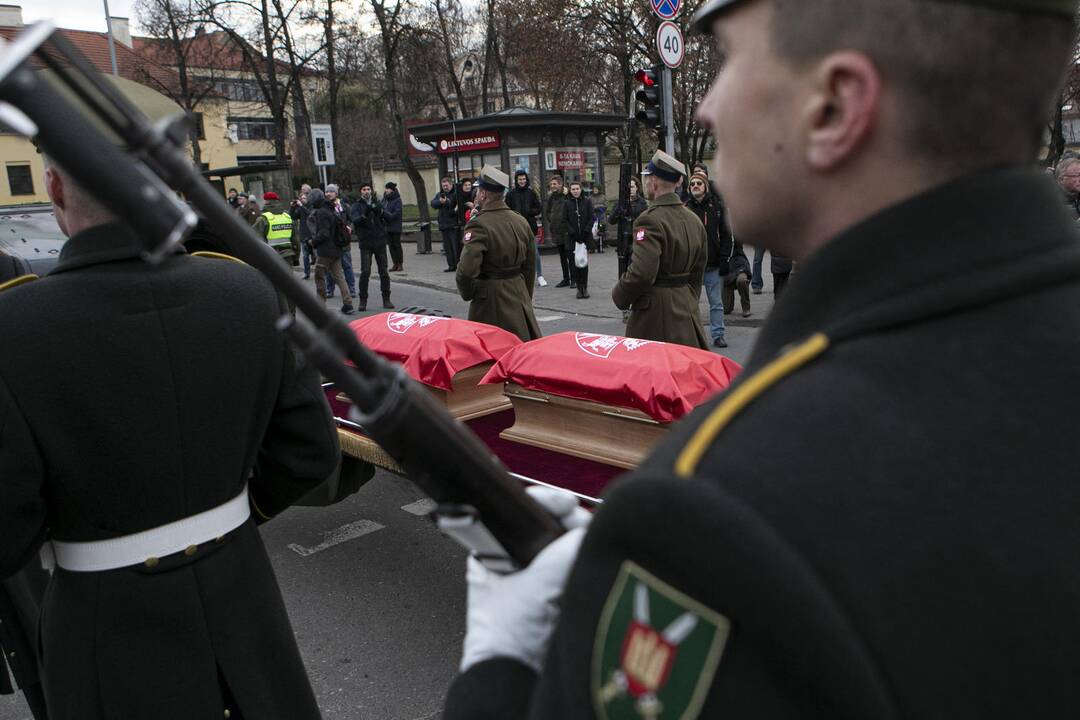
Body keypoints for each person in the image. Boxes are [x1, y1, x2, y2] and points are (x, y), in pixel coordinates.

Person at [443, 0, 1080, 717]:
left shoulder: (719, 509)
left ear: (834, 108)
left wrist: (499, 663)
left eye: (731, 61)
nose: (709, 107)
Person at [0, 156, 340, 720]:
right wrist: (222, 518)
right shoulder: (246, 288)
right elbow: (310, 452)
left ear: (55, 187)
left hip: (102, 628)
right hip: (244, 595)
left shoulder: (12, 327)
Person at [612, 149, 708, 348]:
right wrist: (688, 297)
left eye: (647, 177)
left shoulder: (649, 219)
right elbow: (698, 270)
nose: (646, 182)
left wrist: (620, 294)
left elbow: (643, 272)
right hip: (686, 306)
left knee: (653, 374)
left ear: (654, 181)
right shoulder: (693, 219)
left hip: (655, 314)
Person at [455, 166, 542, 341]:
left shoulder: (479, 224)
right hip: (518, 293)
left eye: (478, 190)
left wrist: (470, 293)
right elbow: (530, 266)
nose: (477, 194)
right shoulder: (520, 220)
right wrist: (524, 295)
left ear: (483, 194)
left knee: (492, 355)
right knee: (521, 351)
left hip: (490, 299)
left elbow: (466, 271)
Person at [686, 170, 733, 348]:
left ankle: (718, 334)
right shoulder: (685, 208)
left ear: (706, 186)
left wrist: (725, 259)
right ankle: (694, 335)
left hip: (714, 264)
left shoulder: (717, 207)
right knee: (692, 304)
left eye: (699, 183)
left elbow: (727, 235)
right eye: (692, 184)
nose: (695, 186)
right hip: (693, 266)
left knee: (716, 303)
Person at [309, 187, 354, 314]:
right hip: (336, 250)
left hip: (325, 251)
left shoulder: (321, 212)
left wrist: (313, 242)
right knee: (339, 277)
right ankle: (348, 304)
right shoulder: (331, 209)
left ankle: (320, 306)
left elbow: (324, 233)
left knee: (319, 276)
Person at [351, 183, 394, 311]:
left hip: (379, 241)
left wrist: (379, 211)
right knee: (365, 272)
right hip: (366, 243)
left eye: (368, 189)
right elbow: (355, 221)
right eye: (364, 189)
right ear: (360, 192)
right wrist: (364, 214)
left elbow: (389, 217)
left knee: (384, 271)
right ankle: (363, 300)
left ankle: (386, 298)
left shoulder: (378, 202)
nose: (366, 191)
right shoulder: (357, 205)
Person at [507, 170, 546, 287]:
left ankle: (539, 275)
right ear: (516, 180)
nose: (522, 181)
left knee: (535, 253)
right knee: (518, 253)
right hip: (516, 227)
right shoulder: (511, 194)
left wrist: (530, 212)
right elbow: (507, 209)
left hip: (530, 226)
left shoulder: (531, 193)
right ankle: (521, 276)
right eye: (520, 179)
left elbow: (538, 208)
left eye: (524, 179)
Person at [608, 176, 649, 277]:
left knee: (635, 269)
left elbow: (646, 223)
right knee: (623, 270)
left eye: (632, 187)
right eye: (627, 187)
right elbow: (611, 220)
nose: (630, 190)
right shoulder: (619, 203)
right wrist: (619, 209)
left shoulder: (643, 203)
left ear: (637, 188)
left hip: (637, 240)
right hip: (623, 241)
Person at [564, 181, 595, 298]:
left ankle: (584, 287)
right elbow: (565, 220)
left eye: (577, 189)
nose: (575, 191)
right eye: (573, 189)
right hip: (573, 238)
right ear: (570, 191)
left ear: (581, 189)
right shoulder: (567, 203)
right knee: (575, 263)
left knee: (584, 263)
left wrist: (586, 230)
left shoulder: (587, 201)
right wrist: (572, 232)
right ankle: (578, 287)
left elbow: (592, 217)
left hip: (585, 237)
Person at [543, 175, 572, 287]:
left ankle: (574, 279)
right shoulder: (551, 197)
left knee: (570, 256)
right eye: (551, 184)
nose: (553, 186)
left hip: (567, 231)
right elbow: (548, 212)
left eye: (555, 184)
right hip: (557, 231)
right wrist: (553, 221)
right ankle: (566, 278)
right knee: (562, 257)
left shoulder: (567, 196)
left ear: (560, 184)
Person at [324, 184, 352, 298]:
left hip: (343, 241)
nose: (328, 194)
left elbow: (351, 219)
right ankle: (330, 290)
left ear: (336, 193)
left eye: (331, 191)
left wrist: (350, 228)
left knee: (347, 266)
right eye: (327, 192)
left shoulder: (344, 206)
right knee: (330, 268)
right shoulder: (324, 207)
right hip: (331, 243)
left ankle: (352, 289)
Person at [252, 191, 295, 264]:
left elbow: (255, 239)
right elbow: (295, 240)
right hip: (288, 256)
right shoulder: (287, 216)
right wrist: (295, 257)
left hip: (271, 258)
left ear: (266, 202)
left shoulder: (263, 219)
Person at [432, 177, 461, 272]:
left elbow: (455, 206)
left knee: (455, 247)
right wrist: (440, 202)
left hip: (453, 224)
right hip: (444, 224)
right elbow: (433, 204)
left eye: (446, 185)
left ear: (451, 184)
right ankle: (451, 266)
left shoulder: (455, 194)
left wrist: (447, 202)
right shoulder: (440, 195)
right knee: (447, 248)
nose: (445, 187)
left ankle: (458, 265)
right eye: (443, 185)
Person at [724, 239, 753, 317]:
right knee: (726, 310)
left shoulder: (734, 237)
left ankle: (746, 307)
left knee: (742, 280)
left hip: (739, 265)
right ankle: (729, 303)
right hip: (726, 269)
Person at [291, 184, 314, 279]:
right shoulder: (301, 207)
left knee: (317, 255)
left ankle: (323, 273)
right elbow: (293, 217)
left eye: (304, 197)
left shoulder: (312, 204)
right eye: (302, 197)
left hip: (313, 234)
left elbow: (311, 215)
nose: (302, 198)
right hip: (304, 234)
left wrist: (302, 206)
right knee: (305, 256)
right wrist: (292, 207)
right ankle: (307, 273)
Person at [383, 181, 404, 271]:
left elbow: (397, 212)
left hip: (395, 225)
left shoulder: (397, 199)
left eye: (387, 188)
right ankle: (394, 263)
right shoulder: (385, 199)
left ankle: (400, 263)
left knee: (397, 245)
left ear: (391, 190)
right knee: (391, 246)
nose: (386, 190)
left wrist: (388, 216)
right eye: (386, 188)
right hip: (387, 226)